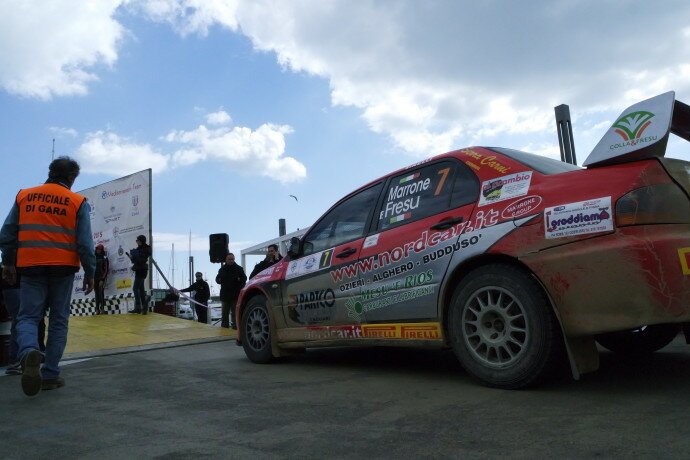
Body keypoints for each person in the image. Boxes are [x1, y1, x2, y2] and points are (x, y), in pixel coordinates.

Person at [0, 156, 95, 396]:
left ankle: (29, 352)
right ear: (72, 178)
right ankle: (51, 374)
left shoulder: (25, 196)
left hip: (30, 267)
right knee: (59, 321)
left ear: (50, 172)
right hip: (63, 269)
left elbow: (7, 233)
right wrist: (91, 273)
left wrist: (8, 263)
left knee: (28, 317)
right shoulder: (77, 201)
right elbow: (85, 244)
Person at [2, 273, 47, 376]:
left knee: (23, 320)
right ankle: (16, 361)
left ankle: (20, 359)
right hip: (19, 283)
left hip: (14, 284)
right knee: (22, 320)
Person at [215, 253, 247, 329]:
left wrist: (239, 287)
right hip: (225, 295)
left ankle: (235, 328)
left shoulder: (239, 269)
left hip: (235, 295)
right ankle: (224, 328)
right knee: (224, 314)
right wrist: (219, 280)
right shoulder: (222, 269)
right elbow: (217, 279)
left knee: (235, 313)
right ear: (226, 260)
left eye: (232, 259)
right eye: (229, 259)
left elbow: (244, 279)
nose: (231, 261)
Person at [126, 235, 150, 314]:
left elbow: (142, 260)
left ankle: (138, 306)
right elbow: (135, 261)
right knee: (141, 290)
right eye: (136, 241)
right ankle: (143, 307)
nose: (137, 242)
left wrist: (135, 258)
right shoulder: (138, 249)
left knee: (135, 288)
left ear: (142, 241)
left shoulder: (146, 249)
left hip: (142, 270)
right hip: (139, 270)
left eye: (138, 240)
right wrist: (131, 257)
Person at [94, 244, 109, 314]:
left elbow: (106, 269)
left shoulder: (105, 258)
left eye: (99, 249)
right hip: (94, 278)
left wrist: (102, 279)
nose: (98, 250)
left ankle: (102, 308)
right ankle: (97, 309)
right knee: (96, 293)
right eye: (97, 249)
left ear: (102, 250)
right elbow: (91, 268)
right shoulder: (93, 257)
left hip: (101, 278)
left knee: (101, 293)